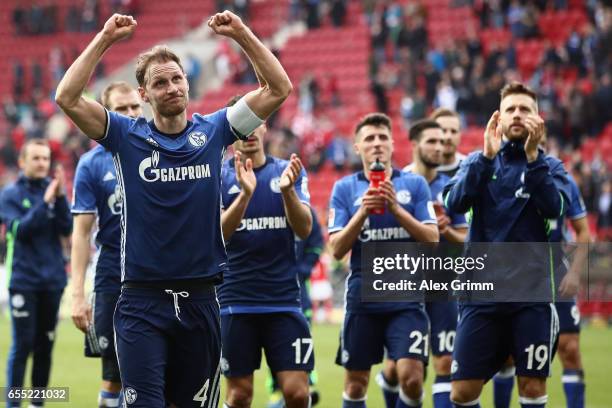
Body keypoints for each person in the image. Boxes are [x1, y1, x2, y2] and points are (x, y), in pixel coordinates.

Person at [55, 10, 292, 407]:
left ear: (188, 83)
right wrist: (105, 39)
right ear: (144, 95)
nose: (170, 87)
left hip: (201, 300)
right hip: (141, 303)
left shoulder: (215, 130)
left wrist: (241, 34)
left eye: (176, 79)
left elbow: (279, 88)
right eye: (159, 83)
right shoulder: (125, 135)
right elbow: (67, 97)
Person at [444, 82, 571, 408]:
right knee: (462, 392)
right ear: (497, 119)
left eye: (525, 109)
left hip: (531, 297)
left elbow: (554, 209)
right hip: (479, 296)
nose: (517, 115)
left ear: (538, 120)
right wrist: (486, 157)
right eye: (511, 109)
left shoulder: (550, 167)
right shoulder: (477, 161)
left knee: (531, 387)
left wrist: (532, 157)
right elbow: (455, 203)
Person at [328, 113, 439, 408]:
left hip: (406, 297)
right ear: (357, 147)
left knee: (413, 379)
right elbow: (336, 250)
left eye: (381, 138)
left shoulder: (414, 185)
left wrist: (396, 209)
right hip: (363, 298)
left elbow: (432, 238)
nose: (376, 144)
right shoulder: (344, 189)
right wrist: (363, 211)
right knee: (355, 385)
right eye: (369, 138)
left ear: (392, 143)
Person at [219, 96, 313, 408]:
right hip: (235, 302)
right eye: (240, 124)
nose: (248, 130)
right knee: (239, 395)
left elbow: (305, 229)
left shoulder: (288, 172)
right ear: (231, 131)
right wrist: (245, 196)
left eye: (253, 121)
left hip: (283, 300)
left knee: (298, 394)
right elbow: (217, 235)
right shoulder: (219, 177)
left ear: (264, 127)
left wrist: (288, 193)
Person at [492, 135, 591, 408]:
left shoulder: (562, 179)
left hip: (555, 270)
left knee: (570, 349)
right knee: (507, 358)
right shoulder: (504, 176)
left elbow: (583, 232)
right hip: (514, 274)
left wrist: (574, 274)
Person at [377, 119, 465, 408]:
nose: (440, 148)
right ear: (414, 145)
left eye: (442, 142)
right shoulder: (399, 185)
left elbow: (463, 240)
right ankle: (389, 386)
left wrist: (446, 229)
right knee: (399, 371)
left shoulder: (452, 188)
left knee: (446, 360)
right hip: (404, 287)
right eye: (432, 142)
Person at [70, 81, 142, 408]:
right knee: (113, 373)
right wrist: (77, 295)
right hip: (113, 276)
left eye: (134, 107)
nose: (129, 114)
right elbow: (82, 232)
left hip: (158, 275)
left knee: (159, 370)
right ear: (105, 113)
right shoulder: (91, 164)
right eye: (120, 109)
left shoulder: (159, 148)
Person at [1, 139, 72, 407]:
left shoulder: (53, 191)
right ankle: (14, 404)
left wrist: (62, 197)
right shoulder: (10, 194)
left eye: (45, 158)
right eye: (36, 158)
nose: (43, 163)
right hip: (23, 281)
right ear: (22, 162)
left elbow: (66, 228)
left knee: (45, 344)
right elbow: (20, 231)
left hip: (52, 281)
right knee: (23, 345)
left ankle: (37, 403)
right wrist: (45, 203)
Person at [267, 206, 324, 408]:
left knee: (301, 344)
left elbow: (317, 243)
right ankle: (276, 389)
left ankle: (304, 384)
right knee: (272, 344)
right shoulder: (267, 205)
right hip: (267, 291)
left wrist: (303, 269)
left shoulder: (307, 210)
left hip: (299, 295)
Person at [431, 109, 465, 178]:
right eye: (443, 131)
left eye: (453, 131)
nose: (448, 137)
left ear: (460, 135)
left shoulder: (471, 169)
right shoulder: (413, 173)